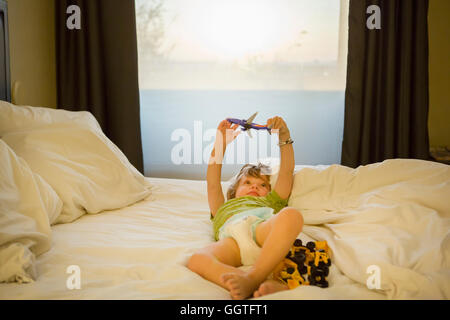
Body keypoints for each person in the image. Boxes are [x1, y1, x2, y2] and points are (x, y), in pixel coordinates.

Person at [187, 116, 303, 300]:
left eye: (262, 185)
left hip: (261, 232)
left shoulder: (271, 202)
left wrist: (284, 136)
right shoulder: (223, 207)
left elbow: (287, 171)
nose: (254, 187)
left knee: (292, 215)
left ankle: (253, 277)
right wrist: (220, 143)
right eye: (247, 182)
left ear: (269, 191)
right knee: (197, 259)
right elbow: (212, 182)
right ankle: (255, 281)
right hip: (232, 241)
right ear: (233, 191)